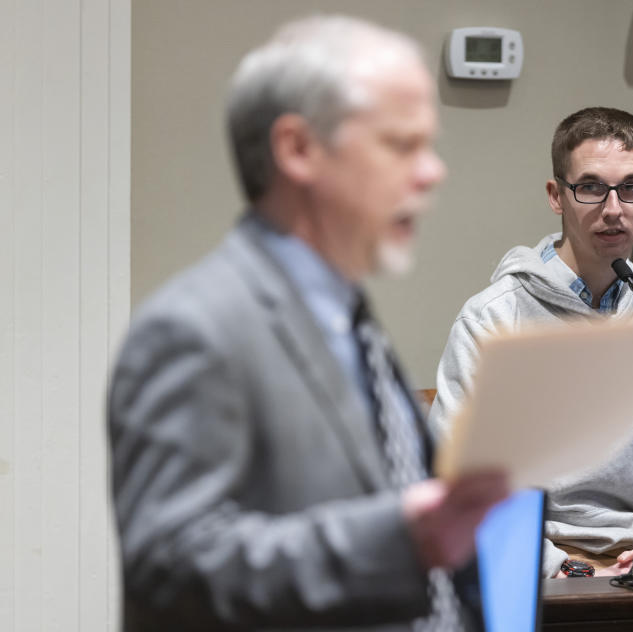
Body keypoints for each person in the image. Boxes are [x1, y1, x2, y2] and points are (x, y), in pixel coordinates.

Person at [108, 15, 508, 631]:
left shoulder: (351, 320)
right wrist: (400, 538)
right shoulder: (194, 327)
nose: (432, 172)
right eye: (401, 144)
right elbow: (169, 565)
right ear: (298, 149)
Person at [429, 107, 633, 578]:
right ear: (557, 196)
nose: (613, 209)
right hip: (525, 569)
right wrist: (563, 567)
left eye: (631, 188)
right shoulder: (494, 317)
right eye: (591, 187)